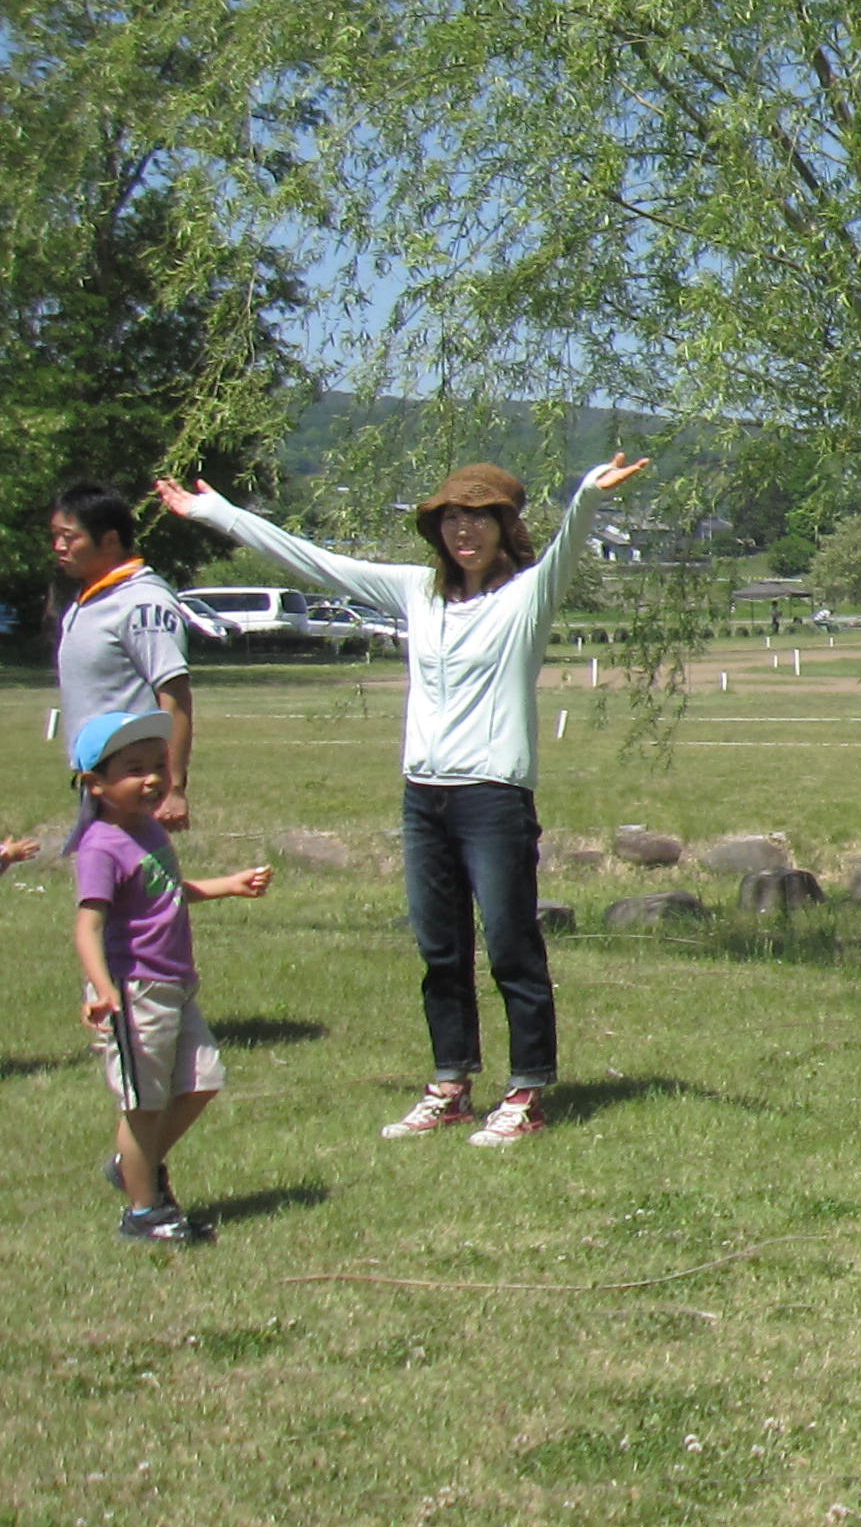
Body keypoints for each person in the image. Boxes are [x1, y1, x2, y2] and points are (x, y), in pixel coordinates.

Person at [155, 454, 649, 1146]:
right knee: (439, 948)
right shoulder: (415, 592)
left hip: (493, 796)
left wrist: (589, 496)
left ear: (506, 528)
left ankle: (527, 1091)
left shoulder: (527, 595)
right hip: (425, 798)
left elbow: (569, 546)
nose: (462, 530)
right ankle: (450, 1084)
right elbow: (313, 561)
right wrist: (216, 513)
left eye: (478, 517)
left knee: (511, 944)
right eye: (450, 517)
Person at [67, 709, 273, 1243]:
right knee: (144, 1102)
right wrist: (104, 991)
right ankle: (143, 1213)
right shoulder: (100, 848)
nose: (152, 778)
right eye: (134, 768)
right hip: (133, 991)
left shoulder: (149, 831)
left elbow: (167, 890)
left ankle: (133, 1164)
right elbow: (88, 928)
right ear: (96, 784)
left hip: (176, 983)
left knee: (203, 1082)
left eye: (157, 765)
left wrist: (227, 885)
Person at [49, 482, 197, 831]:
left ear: (110, 540)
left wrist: (173, 787)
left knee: (134, 884)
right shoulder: (89, 600)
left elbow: (174, 695)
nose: (59, 546)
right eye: (55, 536)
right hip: (103, 784)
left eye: (70, 537)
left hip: (135, 786)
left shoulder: (142, 603)